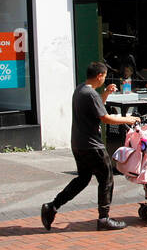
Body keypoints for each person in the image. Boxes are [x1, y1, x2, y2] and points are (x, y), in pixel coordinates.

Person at [40, 62, 140, 232]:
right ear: (100, 76)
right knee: (107, 178)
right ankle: (104, 218)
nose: (105, 79)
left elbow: (97, 108)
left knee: (83, 179)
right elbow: (105, 117)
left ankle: (52, 206)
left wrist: (106, 93)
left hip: (78, 143)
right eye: (105, 76)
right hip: (92, 145)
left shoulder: (80, 90)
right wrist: (128, 119)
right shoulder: (90, 94)